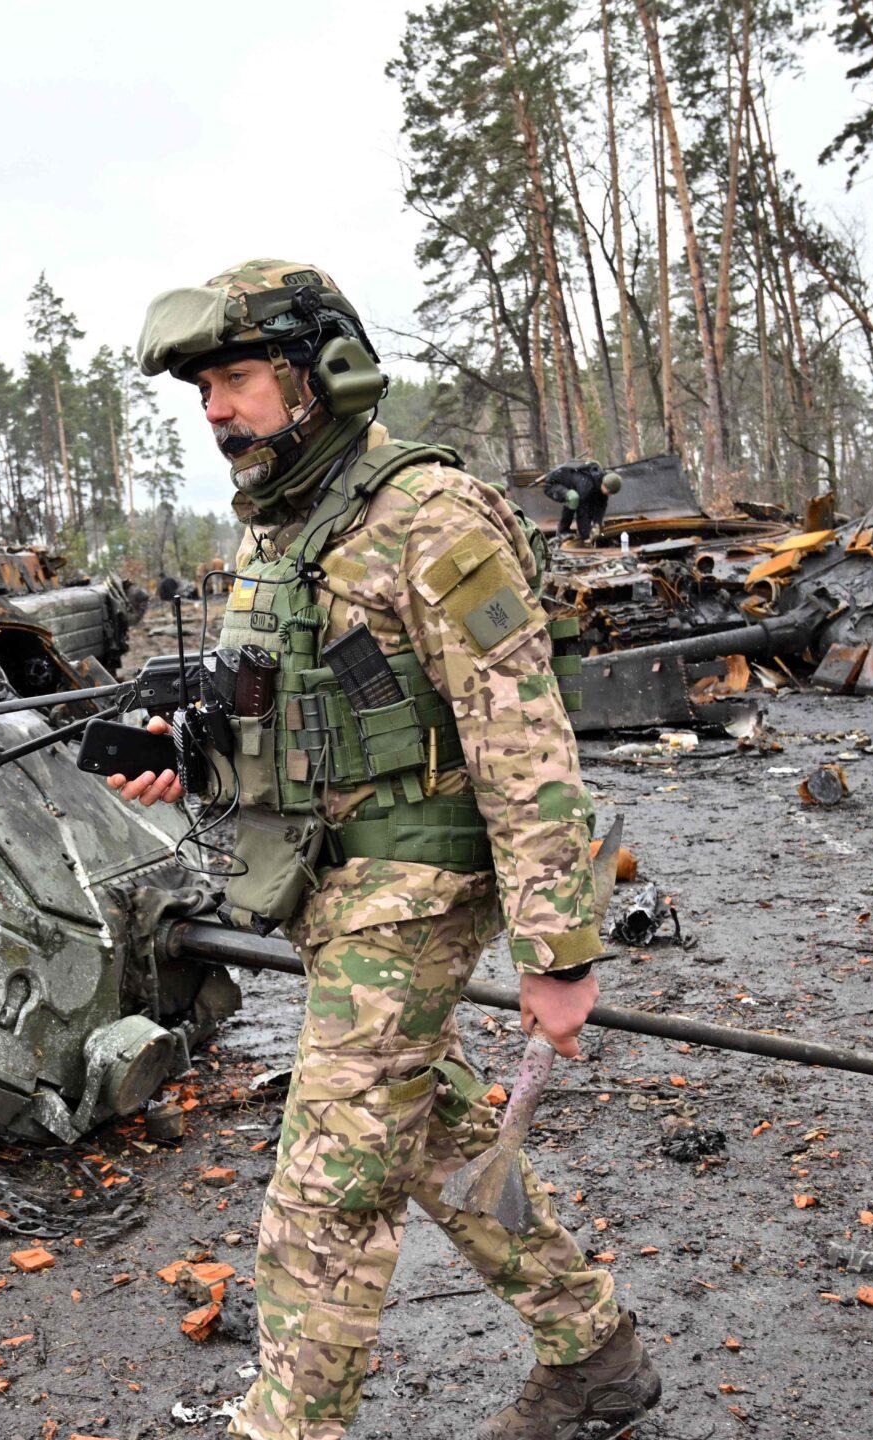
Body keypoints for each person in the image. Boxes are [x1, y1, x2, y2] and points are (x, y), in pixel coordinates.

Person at [115, 260, 661, 1440]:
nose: (216, 409)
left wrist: (559, 950)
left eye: (237, 378)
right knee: (432, 1136)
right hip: (330, 883)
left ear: (322, 373)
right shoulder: (281, 527)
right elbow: (297, 721)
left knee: (329, 1184)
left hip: (415, 881)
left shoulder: (431, 516)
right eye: (203, 389)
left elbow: (522, 737)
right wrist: (190, 755)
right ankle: (592, 1349)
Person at [537, 460, 611, 545]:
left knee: (587, 501)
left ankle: (581, 531)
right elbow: (582, 511)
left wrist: (597, 524)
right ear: (604, 485)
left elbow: (600, 506)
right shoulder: (586, 485)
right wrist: (586, 536)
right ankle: (563, 531)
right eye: (609, 491)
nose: (609, 495)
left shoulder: (601, 482)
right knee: (573, 497)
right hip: (552, 485)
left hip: (570, 485)